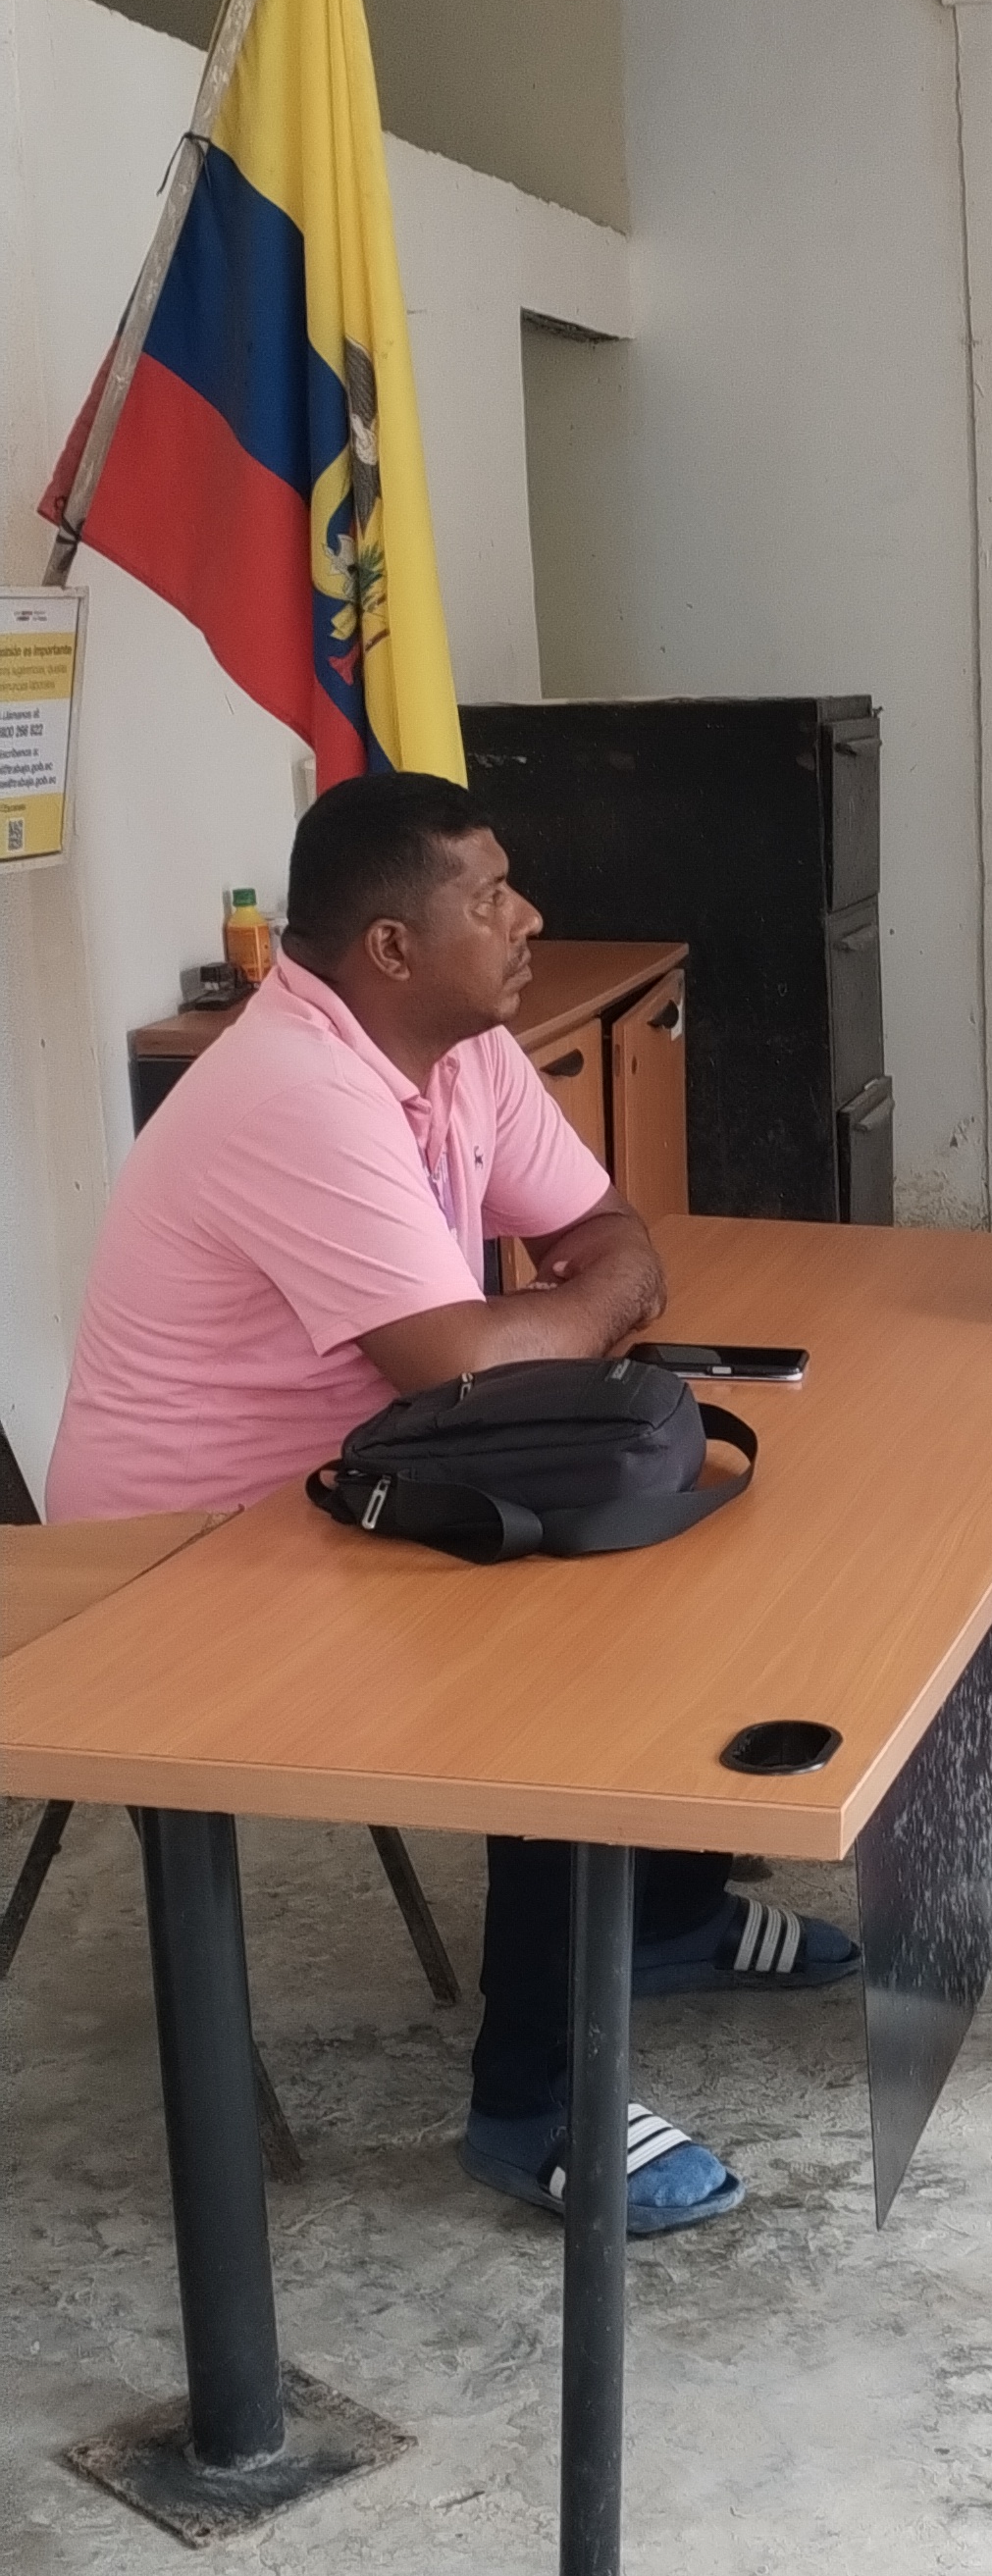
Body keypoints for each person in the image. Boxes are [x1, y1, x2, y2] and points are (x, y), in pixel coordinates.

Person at [47, 772, 858, 2233]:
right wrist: (578, 1310)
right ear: (391, 948)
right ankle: (533, 2103)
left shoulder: (464, 1049)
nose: (529, 916)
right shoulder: (295, 1091)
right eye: (489, 896)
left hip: (363, 1489)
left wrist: (570, 1307)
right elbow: (465, 1359)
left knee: (677, 1560)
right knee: (563, 1669)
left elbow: (603, 1230)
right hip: (183, 1565)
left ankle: (663, 1921)